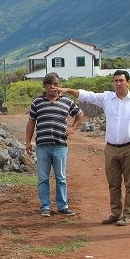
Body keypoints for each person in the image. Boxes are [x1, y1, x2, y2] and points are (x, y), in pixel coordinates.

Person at [59, 69, 130, 225]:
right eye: (115, 80)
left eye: (121, 80)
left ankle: (128, 215)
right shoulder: (107, 98)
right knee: (113, 183)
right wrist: (68, 90)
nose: (118, 83)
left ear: (128, 82)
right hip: (110, 148)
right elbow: (88, 95)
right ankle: (116, 213)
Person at [26, 73, 84, 217]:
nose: (53, 87)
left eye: (56, 84)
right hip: (42, 146)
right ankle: (45, 207)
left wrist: (73, 127)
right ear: (45, 86)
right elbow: (31, 122)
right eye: (50, 84)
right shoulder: (37, 102)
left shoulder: (67, 101)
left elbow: (80, 114)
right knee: (43, 178)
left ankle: (63, 206)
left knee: (61, 177)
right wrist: (27, 142)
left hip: (60, 145)